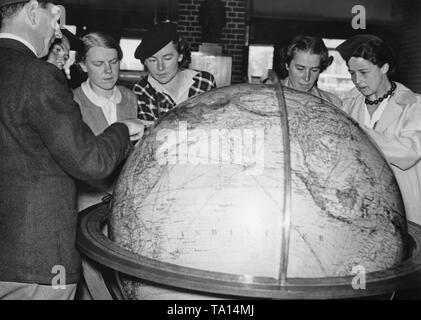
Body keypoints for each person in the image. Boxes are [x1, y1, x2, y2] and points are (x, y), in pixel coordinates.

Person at [0, 0, 144, 300]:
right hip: (39, 259)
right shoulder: (37, 75)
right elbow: (90, 162)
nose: (56, 33)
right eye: (53, 18)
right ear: (31, 10)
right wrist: (123, 129)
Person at [336, 34, 421, 226]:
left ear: (384, 67)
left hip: (403, 213)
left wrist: (357, 131)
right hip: (360, 211)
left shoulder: (414, 105)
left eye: (364, 72)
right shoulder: (348, 105)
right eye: (351, 73)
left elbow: (409, 152)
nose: (357, 80)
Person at [73, 32, 139, 211]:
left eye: (113, 62)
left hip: (126, 202)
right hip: (87, 204)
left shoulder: (130, 97)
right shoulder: (72, 102)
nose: (108, 71)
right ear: (83, 65)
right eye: (98, 64)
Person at [133, 22, 217, 121]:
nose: (160, 67)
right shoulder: (142, 90)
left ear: (180, 56)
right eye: (153, 60)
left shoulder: (204, 82)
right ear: (145, 62)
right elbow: (151, 133)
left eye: (167, 58)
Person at [278, 35, 342, 107]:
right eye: (300, 69)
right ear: (287, 65)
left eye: (314, 70)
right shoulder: (269, 97)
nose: (307, 78)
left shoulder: (334, 104)